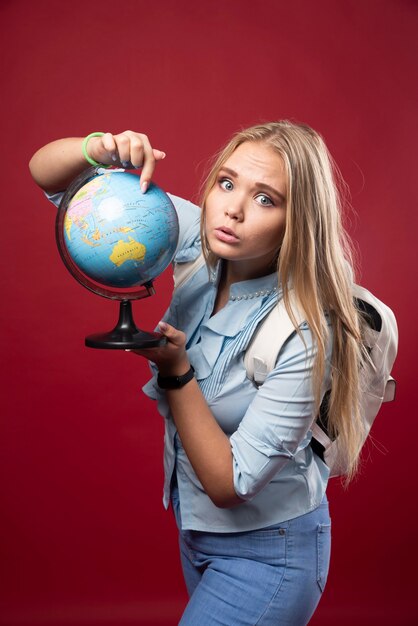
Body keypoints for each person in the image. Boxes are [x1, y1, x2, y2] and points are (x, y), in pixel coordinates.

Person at [29, 122, 365, 625]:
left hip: (269, 555)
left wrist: (177, 373)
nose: (232, 208)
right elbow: (48, 177)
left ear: (300, 222)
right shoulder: (199, 243)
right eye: (226, 183)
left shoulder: (306, 331)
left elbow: (231, 484)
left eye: (266, 199)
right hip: (197, 536)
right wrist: (96, 150)